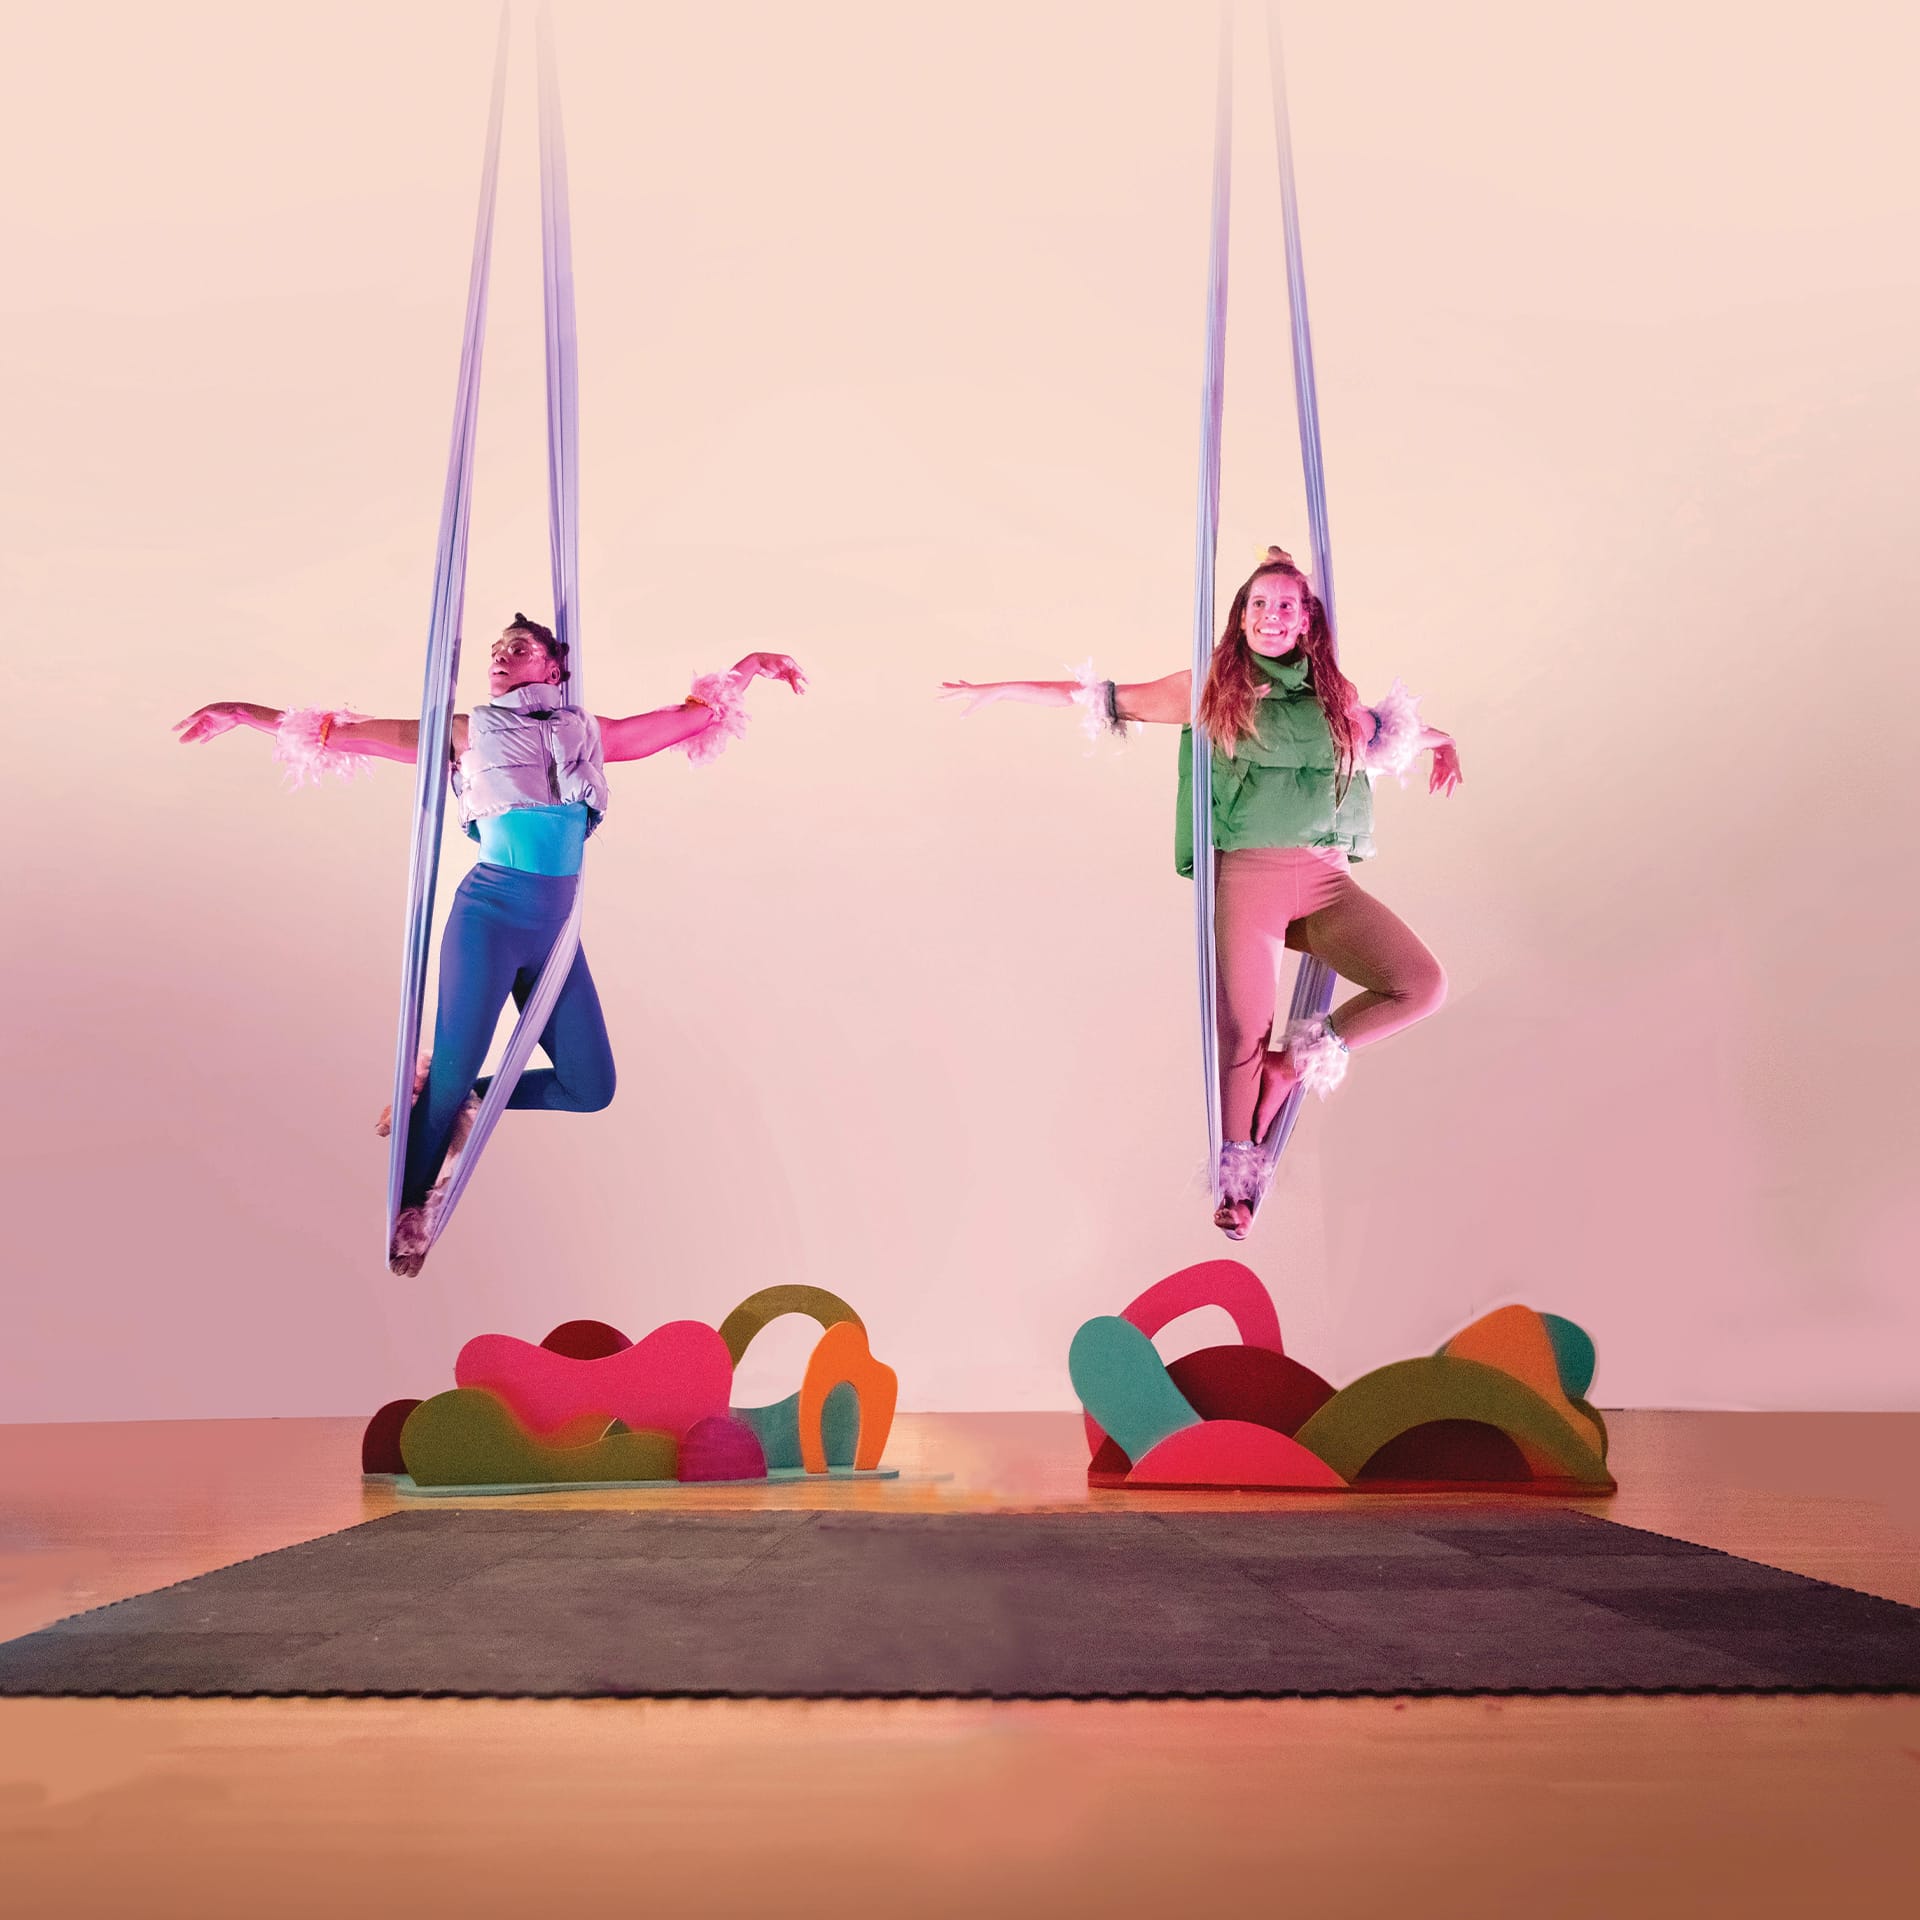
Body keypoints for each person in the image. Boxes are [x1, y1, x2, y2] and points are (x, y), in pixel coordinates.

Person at [176, 615, 805, 1272]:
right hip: (489, 918)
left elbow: (691, 717)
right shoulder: (464, 732)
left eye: (521, 647)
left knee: (589, 1086)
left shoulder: (589, 732)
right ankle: (410, 1210)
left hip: (555, 933)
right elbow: (343, 736)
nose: (503, 655)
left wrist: (752, 665)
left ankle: (462, 1091)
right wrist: (243, 712)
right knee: (443, 1090)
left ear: (555, 669)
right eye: (497, 650)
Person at [941, 547, 1458, 1237]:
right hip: (1249, 883)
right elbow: (1099, 697)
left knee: (1421, 984)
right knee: (1243, 1030)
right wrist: (997, 690)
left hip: (1325, 884)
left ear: (1306, 621)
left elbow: (1390, 733)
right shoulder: (1209, 688)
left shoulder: (1333, 697)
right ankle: (1239, 1186)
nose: (1272, 617)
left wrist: (1444, 741)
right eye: (1258, 605)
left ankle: (1290, 1069)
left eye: (1285, 606)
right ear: (1240, 618)